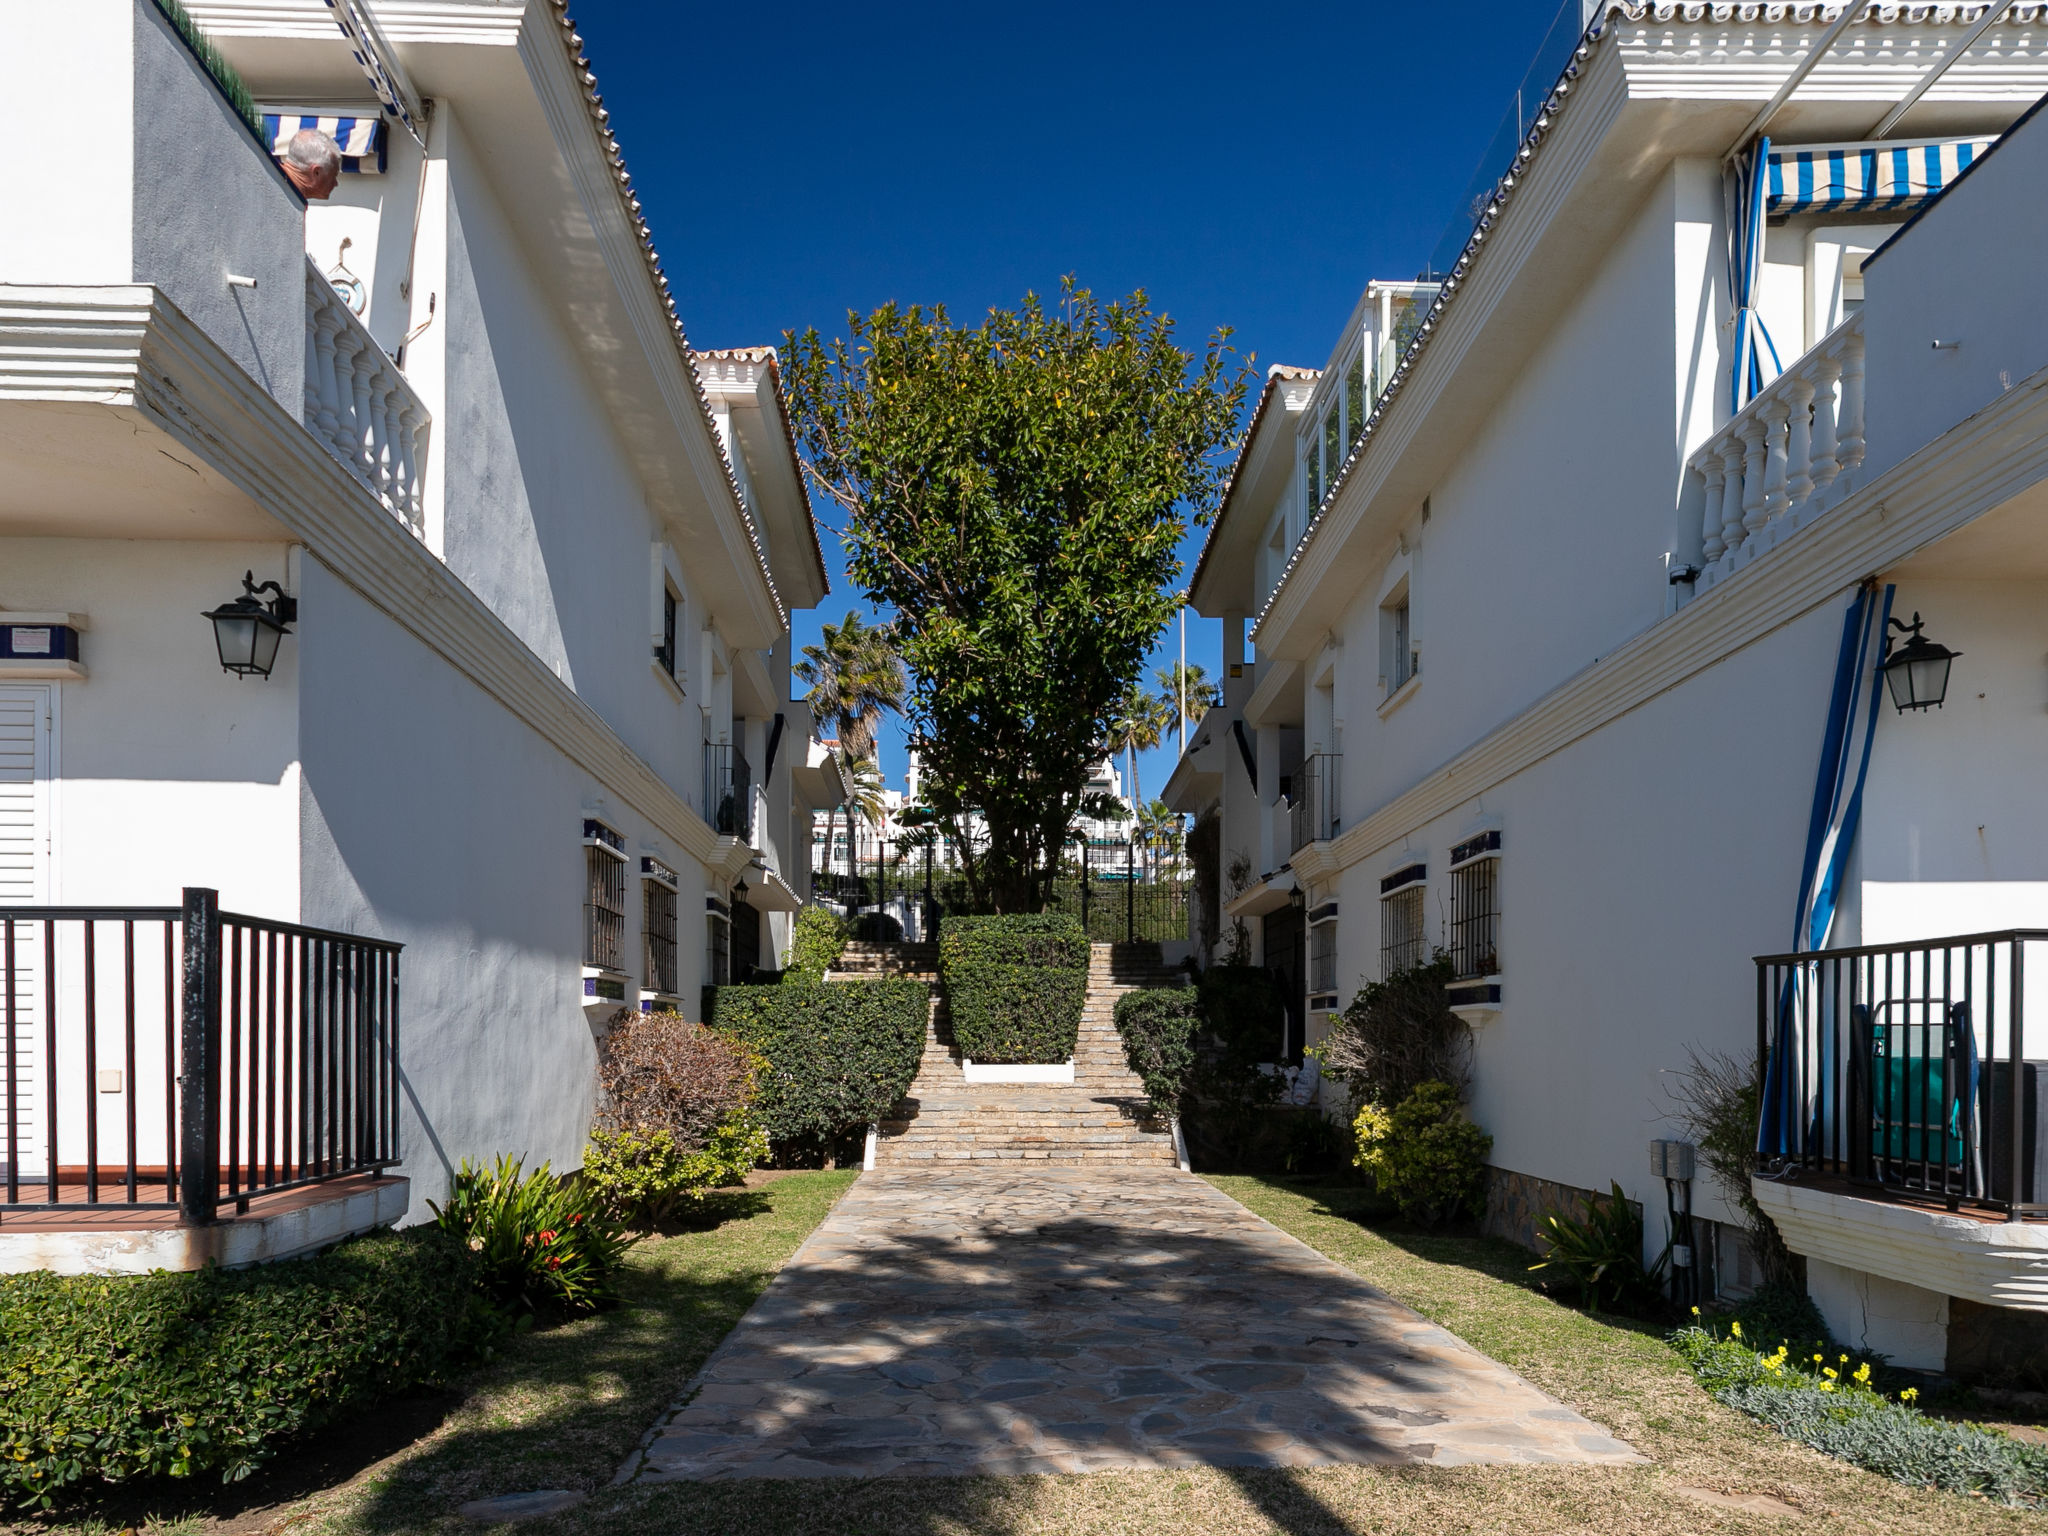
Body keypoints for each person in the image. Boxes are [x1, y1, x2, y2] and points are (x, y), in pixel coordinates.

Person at [280, 127, 341, 200]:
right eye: (333, 175)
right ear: (317, 172)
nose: (336, 184)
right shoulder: (281, 197)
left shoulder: (277, 183)